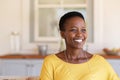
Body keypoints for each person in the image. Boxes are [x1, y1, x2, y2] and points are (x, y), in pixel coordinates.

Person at [39, 11, 119, 80]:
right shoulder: (51, 62)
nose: (80, 34)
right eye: (73, 30)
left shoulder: (100, 61)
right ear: (62, 34)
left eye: (83, 30)